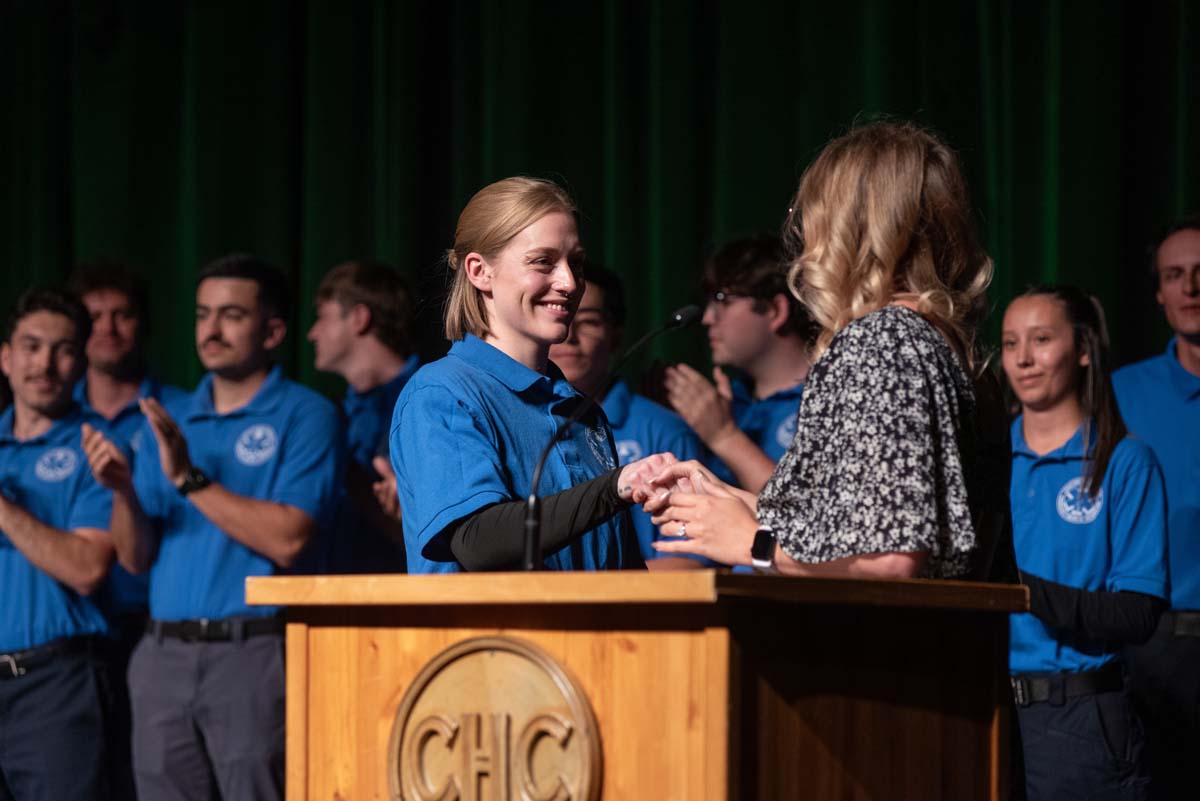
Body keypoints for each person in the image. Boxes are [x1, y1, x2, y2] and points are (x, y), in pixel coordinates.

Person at [643, 121, 996, 580]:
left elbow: (889, 561)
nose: (802, 232)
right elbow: (846, 529)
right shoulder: (940, 344)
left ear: (846, 225)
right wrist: (728, 502)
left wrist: (748, 542)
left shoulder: (884, 341)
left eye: (805, 211)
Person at [82, 254, 344, 801]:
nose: (212, 330)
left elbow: (288, 538)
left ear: (272, 331)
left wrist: (188, 478)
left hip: (252, 652)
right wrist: (123, 491)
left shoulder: (306, 414)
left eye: (231, 315)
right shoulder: (168, 418)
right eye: (203, 314)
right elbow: (134, 559)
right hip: (160, 655)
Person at [389, 177, 666, 574]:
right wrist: (615, 486)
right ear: (480, 271)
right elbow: (478, 542)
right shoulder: (443, 392)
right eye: (543, 262)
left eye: (576, 262)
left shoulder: (583, 411)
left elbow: (620, 571)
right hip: (495, 638)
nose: (570, 283)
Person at [1001, 285, 1167, 800]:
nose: (1024, 358)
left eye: (1042, 339)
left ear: (1084, 349)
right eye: (1009, 343)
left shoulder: (1123, 461)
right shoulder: (987, 461)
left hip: (1078, 716)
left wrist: (1017, 591)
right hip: (984, 708)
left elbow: (1136, 614)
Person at [68, 262, 188, 800]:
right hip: (73, 643)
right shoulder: (51, 420)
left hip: (158, 632)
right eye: (94, 317)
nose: (108, 328)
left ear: (143, 325)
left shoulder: (182, 413)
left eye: (122, 315)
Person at [0, 288, 115, 801]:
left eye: (63, 349)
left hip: (53, 686)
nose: (45, 363)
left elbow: (87, 567)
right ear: (6, 357)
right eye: (31, 346)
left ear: (81, 362)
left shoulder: (98, 447)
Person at [1112, 217, 1200, 801]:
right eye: (1175, 275)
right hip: (1158, 650)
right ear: (1160, 295)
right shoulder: (1122, 393)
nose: (1191, 287)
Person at [547, 264, 706, 568]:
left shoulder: (663, 431)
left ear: (616, 333)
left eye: (589, 321)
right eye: (562, 318)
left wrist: (579, 592)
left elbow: (688, 564)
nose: (570, 336)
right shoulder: (519, 420)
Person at [663, 234, 812, 492]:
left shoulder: (825, 398)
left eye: (722, 300)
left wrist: (724, 436)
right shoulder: (731, 401)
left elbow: (803, 512)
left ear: (775, 310)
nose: (708, 318)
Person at [308, 260, 419, 572]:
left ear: (358, 318)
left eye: (322, 317)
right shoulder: (337, 413)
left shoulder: (430, 399)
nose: (312, 333)